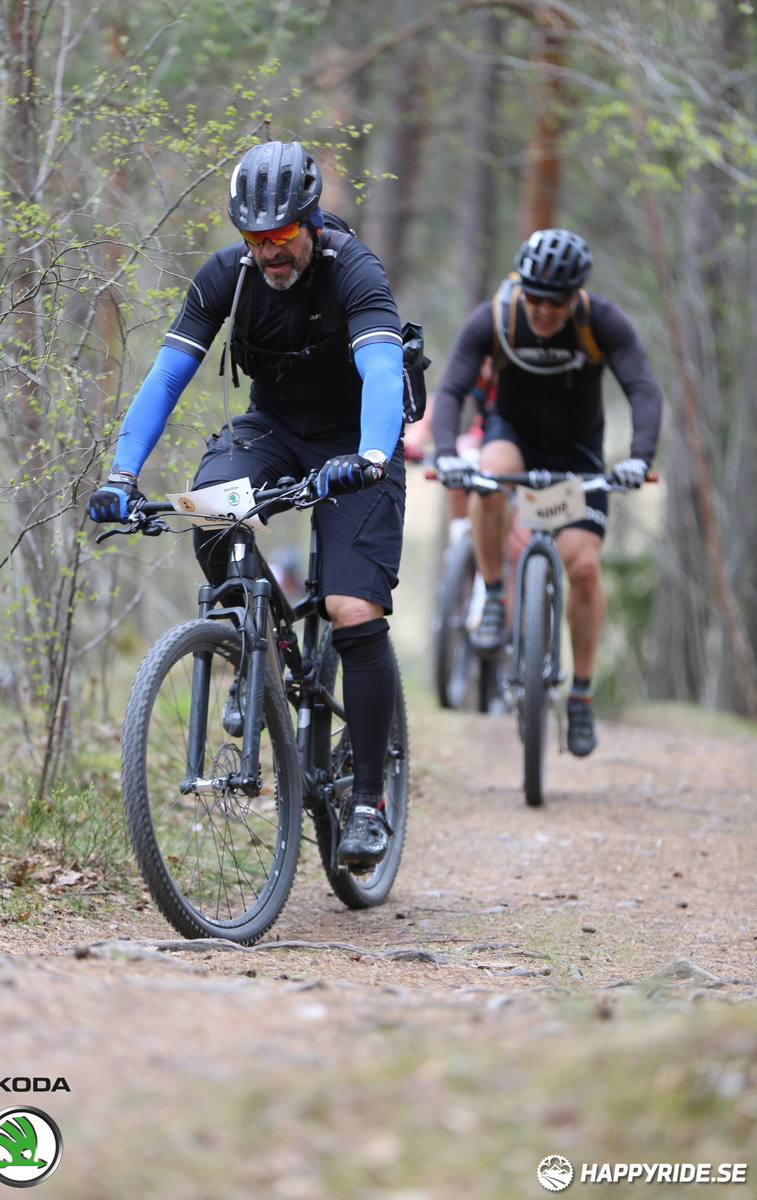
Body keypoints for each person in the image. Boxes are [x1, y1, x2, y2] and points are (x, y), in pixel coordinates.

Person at [87, 140, 407, 867]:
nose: (269, 252)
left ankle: (366, 802)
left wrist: (373, 455)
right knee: (207, 512)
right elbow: (166, 379)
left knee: (354, 611)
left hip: (357, 444)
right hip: (269, 431)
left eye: (282, 236)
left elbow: (383, 369)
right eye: (254, 239)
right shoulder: (225, 279)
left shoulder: (352, 270)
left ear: (310, 222)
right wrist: (119, 475)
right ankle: (250, 630)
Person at [432, 227, 662, 756]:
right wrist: (446, 451)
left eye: (554, 302)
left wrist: (639, 459)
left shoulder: (600, 322)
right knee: (489, 475)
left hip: (576, 455)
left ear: (575, 296)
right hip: (512, 437)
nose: (541, 310)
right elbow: (451, 389)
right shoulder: (497, 316)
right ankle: (493, 595)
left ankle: (579, 694)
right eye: (533, 296)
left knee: (582, 567)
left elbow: (644, 388)